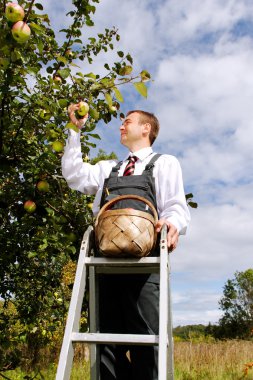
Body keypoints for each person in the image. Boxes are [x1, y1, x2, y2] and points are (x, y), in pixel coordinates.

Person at [62, 104, 190, 380]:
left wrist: (172, 224)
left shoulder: (164, 163)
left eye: (127, 121)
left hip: (145, 263)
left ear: (146, 128)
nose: (121, 125)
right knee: (105, 341)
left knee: (146, 339)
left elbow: (175, 206)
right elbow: (74, 175)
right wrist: (74, 130)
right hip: (105, 263)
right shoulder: (110, 168)